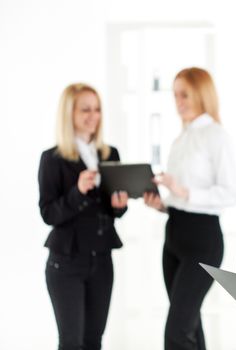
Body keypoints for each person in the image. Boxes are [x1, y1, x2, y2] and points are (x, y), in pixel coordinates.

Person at [143, 67, 236, 350]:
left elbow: (230, 194)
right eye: (175, 95)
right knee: (189, 324)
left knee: (176, 331)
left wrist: (184, 191)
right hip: (174, 235)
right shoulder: (180, 138)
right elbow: (179, 200)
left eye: (184, 94)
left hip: (202, 241)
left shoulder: (216, 135)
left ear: (201, 94)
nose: (178, 101)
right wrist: (162, 204)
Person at [38, 83, 128, 350]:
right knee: (71, 342)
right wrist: (77, 191)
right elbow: (48, 213)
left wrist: (119, 205)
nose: (93, 116)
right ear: (69, 114)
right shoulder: (52, 159)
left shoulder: (109, 154)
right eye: (85, 109)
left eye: (97, 109)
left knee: (93, 341)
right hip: (66, 263)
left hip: (101, 260)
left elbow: (113, 211)